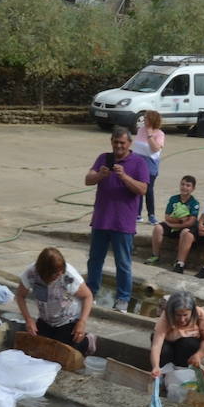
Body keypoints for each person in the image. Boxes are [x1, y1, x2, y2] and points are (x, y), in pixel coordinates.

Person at [86, 127, 150, 311]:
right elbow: (87, 179)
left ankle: (122, 299)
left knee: (123, 263)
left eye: (122, 142)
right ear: (111, 142)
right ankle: (91, 294)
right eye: (115, 142)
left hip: (123, 223)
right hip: (101, 220)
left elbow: (143, 189)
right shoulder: (103, 158)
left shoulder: (139, 162)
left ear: (129, 143)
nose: (118, 146)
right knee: (95, 260)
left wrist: (124, 176)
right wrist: (100, 175)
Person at [16, 247, 94, 353]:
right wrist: (28, 319)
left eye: (61, 272)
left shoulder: (69, 276)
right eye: (56, 274)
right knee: (38, 347)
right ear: (45, 273)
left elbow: (88, 296)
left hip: (67, 320)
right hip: (46, 319)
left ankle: (87, 341)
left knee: (63, 350)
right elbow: (20, 296)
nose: (59, 275)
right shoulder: (31, 273)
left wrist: (82, 322)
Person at [147, 291, 204, 377]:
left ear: (192, 312)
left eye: (185, 315)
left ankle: (181, 370)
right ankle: (163, 373)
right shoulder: (166, 316)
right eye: (178, 315)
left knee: (189, 344)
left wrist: (199, 355)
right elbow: (156, 345)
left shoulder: (201, 315)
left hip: (186, 345)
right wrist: (155, 366)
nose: (182, 319)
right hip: (168, 343)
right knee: (164, 349)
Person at [147, 175, 199, 267]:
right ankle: (155, 255)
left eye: (188, 185)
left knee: (185, 232)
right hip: (173, 224)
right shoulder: (173, 199)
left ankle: (178, 261)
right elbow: (167, 217)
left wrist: (174, 224)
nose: (184, 187)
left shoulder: (194, 203)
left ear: (193, 188)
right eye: (182, 184)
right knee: (158, 228)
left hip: (182, 228)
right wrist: (179, 220)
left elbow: (190, 222)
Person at [133, 111, 166, 225]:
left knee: (148, 189)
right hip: (137, 162)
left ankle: (151, 215)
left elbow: (156, 148)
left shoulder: (160, 134)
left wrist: (150, 134)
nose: (144, 120)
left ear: (152, 120)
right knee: (138, 188)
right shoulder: (140, 130)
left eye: (146, 118)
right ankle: (137, 214)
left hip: (150, 164)